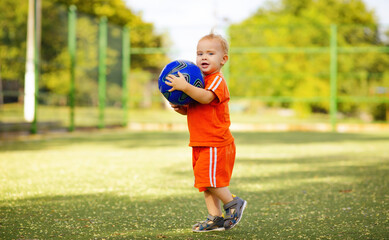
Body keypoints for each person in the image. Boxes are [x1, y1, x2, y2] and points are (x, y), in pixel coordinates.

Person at [164, 33, 247, 232]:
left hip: (215, 142)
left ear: (223, 59)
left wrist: (185, 86)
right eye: (199, 53)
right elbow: (197, 108)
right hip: (200, 141)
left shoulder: (216, 80)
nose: (203, 57)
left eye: (210, 53)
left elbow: (206, 99)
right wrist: (182, 107)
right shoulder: (198, 81)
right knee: (205, 183)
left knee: (210, 180)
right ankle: (215, 218)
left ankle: (233, 202)